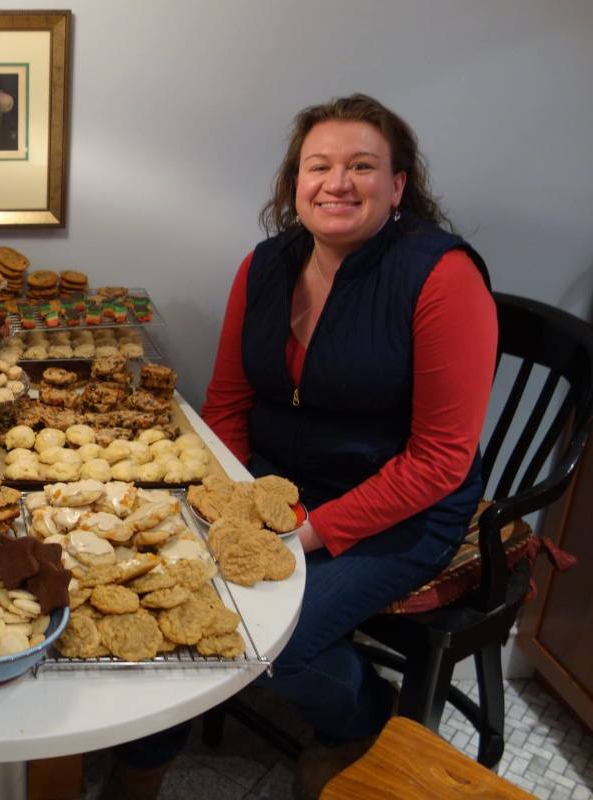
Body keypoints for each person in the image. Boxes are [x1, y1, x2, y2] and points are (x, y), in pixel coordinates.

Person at [105, 94, 498, 800]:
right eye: (319, 165)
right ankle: (141, 768)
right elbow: (227, 403)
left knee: (273, 636)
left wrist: (304, 535)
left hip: (401, 507)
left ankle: (362, 721)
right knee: (157, 590)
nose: (337, 182)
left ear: (399, 184)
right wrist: (228, 500)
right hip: (272, 486)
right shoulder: (265, 266)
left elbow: (440, 458)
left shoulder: (444, 277)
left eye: (362, 166)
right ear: (295, 184)